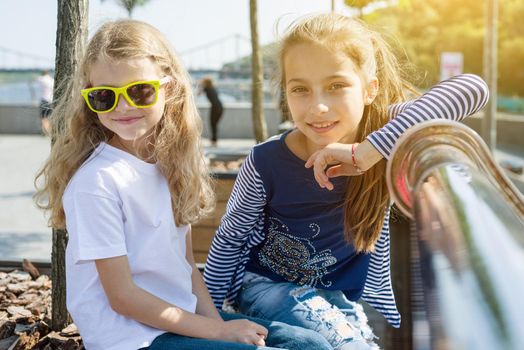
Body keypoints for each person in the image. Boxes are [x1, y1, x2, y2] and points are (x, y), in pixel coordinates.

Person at [34, 19, 332, 350]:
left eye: (140, 91)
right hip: (131, 337)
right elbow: (122, 297)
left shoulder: (170, 166)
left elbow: (188, 269)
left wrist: (218, 326)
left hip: (178, 320)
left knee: (309, 343)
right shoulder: (98, 182)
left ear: (169, 88)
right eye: (104, 96)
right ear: (89, 99)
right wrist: (219, 334)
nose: (123, 106)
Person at [203, 13, 489, 349]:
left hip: (338, 297)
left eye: (336, 86)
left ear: (370, 90)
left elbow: (473, 89)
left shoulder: (385, 130)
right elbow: (230, 238)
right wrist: (207, 318)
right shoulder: (265, 161)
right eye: (300, 90)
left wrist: (368, 152)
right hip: (264, 287)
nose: (318, 106)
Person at [199, 77, 223, 147]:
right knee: (214, 124)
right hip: (220, 107)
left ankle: (214, 141)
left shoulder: (206, 88)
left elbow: (198, 94)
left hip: (215, 108)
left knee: (213, 124)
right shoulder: (213, 88)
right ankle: (214, 140)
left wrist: (201, 85)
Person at [35, 69, 54, 135]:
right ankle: (49, 131)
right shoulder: (52, 80)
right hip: (51, 101)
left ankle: (46, 132)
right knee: (50, 117)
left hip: (44, 101)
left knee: (43, 118)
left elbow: (35, 79)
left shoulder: (41, 79)